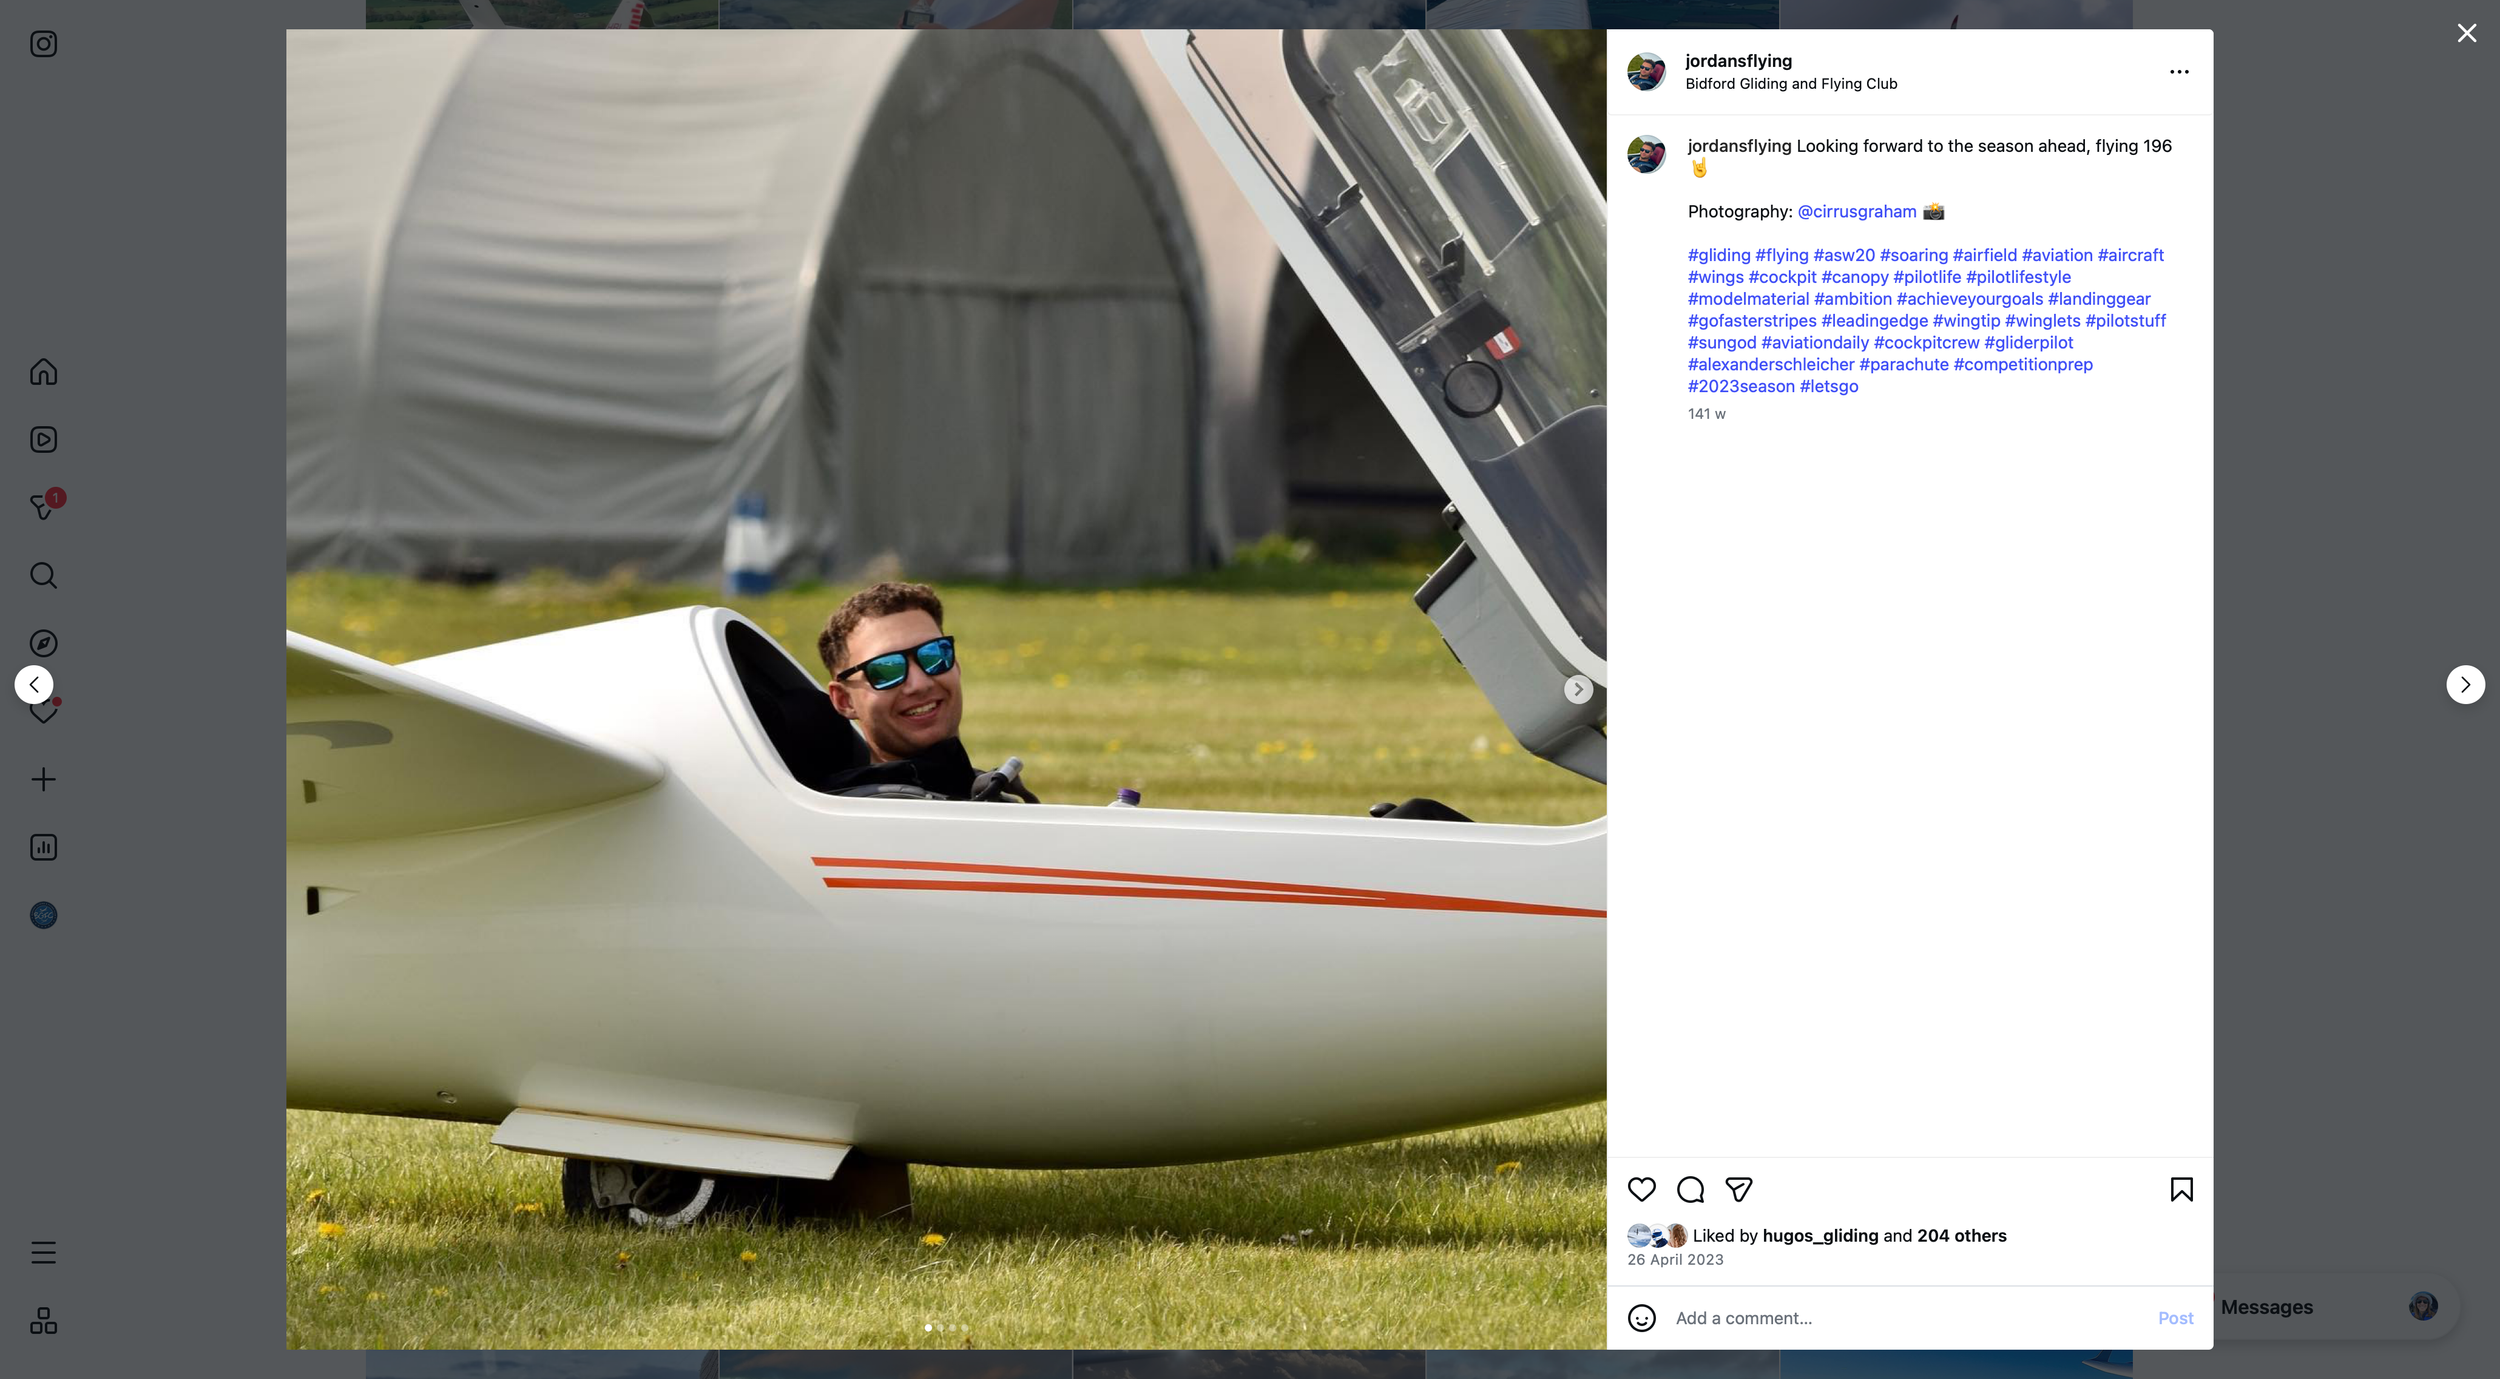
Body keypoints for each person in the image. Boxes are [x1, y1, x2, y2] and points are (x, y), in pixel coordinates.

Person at [815, 580, 979, 799]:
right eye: (886, 669)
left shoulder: (989, 793)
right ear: (845, 700)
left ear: (955, 665)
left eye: (933, 655)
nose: (920, 684)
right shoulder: (853, 818)